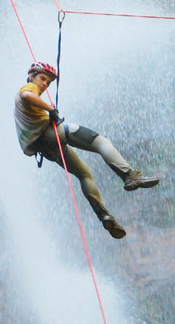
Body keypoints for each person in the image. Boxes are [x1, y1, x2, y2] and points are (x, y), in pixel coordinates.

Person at [14, 62, 160, 239]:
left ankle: (105, 216)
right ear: (31, 76)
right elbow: (26, 94)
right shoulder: (29, 87)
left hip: (46, 149)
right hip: (53, 134)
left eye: (48, 82)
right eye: (42, 79)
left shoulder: (24, 105)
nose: (44, 84)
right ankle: (130, 176)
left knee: (84, 175)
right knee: (101, 141)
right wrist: (51, 109)